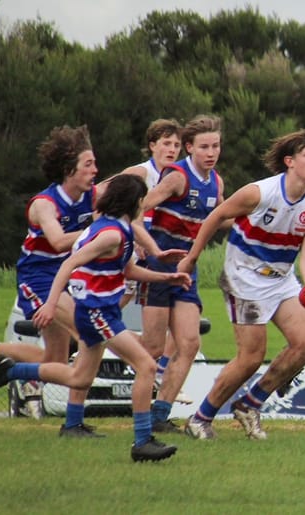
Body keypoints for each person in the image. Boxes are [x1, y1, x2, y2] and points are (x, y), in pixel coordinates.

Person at [0, 173, 191, 462]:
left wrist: (167, 277)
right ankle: (143, 441)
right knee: (146, 365)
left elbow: (127, 270)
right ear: (133, 202)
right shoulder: (111, 234)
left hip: (100, 311)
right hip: (96, 312)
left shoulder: (118, 229)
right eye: (142, 199)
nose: (144, 204)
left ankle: (12, 372)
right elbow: (68, 264)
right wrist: (51, 304)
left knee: (79, 378)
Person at [178, 129, 305, 440]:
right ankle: (200, 419)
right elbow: (216, 216)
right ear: (290, 161)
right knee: (250, 357)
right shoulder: (260, 192)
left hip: (281, 278)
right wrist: (191, 258)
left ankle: (250, 404)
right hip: (243, 277)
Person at [0, 125, 100, 436]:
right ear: (69, 170)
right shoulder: (45, 204)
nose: (95, 170)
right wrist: (96, 230)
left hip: (67, 275)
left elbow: (130, 188)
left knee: (55, 360)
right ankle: (73, 423)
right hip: (39, 278)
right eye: (88, 164)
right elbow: (57, 241)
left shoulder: (93, 195)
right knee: (90, 334)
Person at [140, 114, 226, 433]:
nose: (211, 152)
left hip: (186, 271)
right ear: (189, 148)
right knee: (152, 349)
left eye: (215, 146)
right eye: (204, 147)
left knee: (189, 344)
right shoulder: (177, 177)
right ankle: (139, 415)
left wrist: (258, 217)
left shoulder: (216, 182)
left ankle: (159, 416)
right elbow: (140, 207)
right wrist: (143, 243)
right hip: (158, 268)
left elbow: (222, 216)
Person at [110, 118, 189, 401]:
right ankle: (147, 368)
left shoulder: (178, 175)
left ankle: (154, 369)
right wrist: (137, 239)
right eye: (166, 143)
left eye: (177, 144)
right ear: (152, 145)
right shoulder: (140, 172)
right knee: (107, 317)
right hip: (130, 254)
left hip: (154, 256)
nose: (172, 149)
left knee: (178, 330)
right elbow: (112, 202)